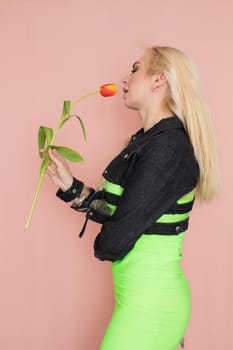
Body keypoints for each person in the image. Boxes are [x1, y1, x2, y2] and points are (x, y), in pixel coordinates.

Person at [44, 46, 220, 350]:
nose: (126, 78)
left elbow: (117, 236)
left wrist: (104, 244)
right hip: (142, 298)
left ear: (158, 80)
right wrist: (71, 186)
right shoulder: (147, 142)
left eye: (136, 69)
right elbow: (124, 211)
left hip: (150, 302)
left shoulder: (165, 150)